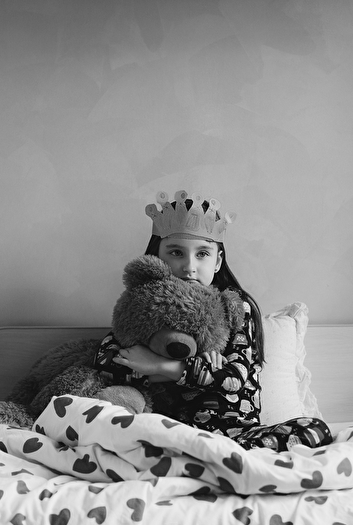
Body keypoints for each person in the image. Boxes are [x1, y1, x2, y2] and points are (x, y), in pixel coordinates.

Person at [93, 190, 332, 451]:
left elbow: (234, 378)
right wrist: (204, 371)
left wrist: (159, 365)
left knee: (316, 429)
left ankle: (215, 456)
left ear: (217, 261)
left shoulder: (235, 305)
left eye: (202, 254)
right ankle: (207, 457)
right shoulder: (149, 302)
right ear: (156, 257)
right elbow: (107, 361)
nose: (189, 266)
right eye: (176, 252)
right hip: (177, 431)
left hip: (240, 434)